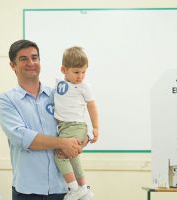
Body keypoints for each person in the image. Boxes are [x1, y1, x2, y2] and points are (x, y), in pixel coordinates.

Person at [0, 40, 90, 200]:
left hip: (63, 189)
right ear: (13, 65)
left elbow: (76, 122)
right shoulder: (6, 100)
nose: (31, 63)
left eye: (34, 57)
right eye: (23, 59)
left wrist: (83, 140)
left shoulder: (58, 94)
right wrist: (63, 143)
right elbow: (22, 137)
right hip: (27, 191)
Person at [54, 47, 99, 200]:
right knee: (73, 156)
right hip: (65, 127)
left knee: (60, 156)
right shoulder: (58, 83)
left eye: (83, 72)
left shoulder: (84, 87)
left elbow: (92, 106)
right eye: (76, 72)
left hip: (75, 126)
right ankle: (84, 188)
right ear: (63, 69)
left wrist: (96, 127)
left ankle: (74, 189)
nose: (80, 76)